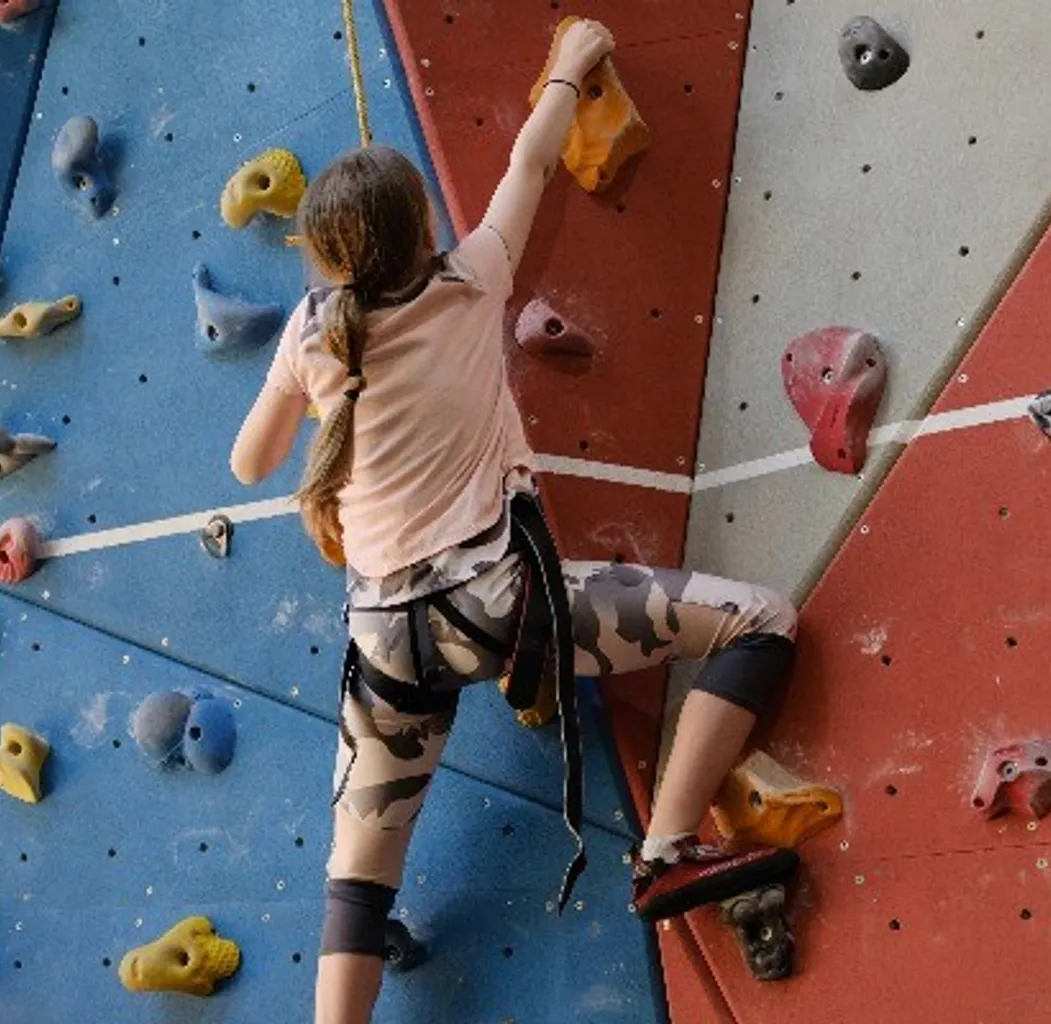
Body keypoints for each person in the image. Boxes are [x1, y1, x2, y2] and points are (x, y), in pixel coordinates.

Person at [229, 19, 801, 1023]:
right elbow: (532, 161)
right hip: (505, 606)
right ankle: (665, 848)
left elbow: (250, 460)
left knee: (357, 879)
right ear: (419, 235)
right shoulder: (470, 280)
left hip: (385, 645)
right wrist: (574, 63)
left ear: (324, 262)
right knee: (760, 620)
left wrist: (323, 382)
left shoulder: (310, 332)